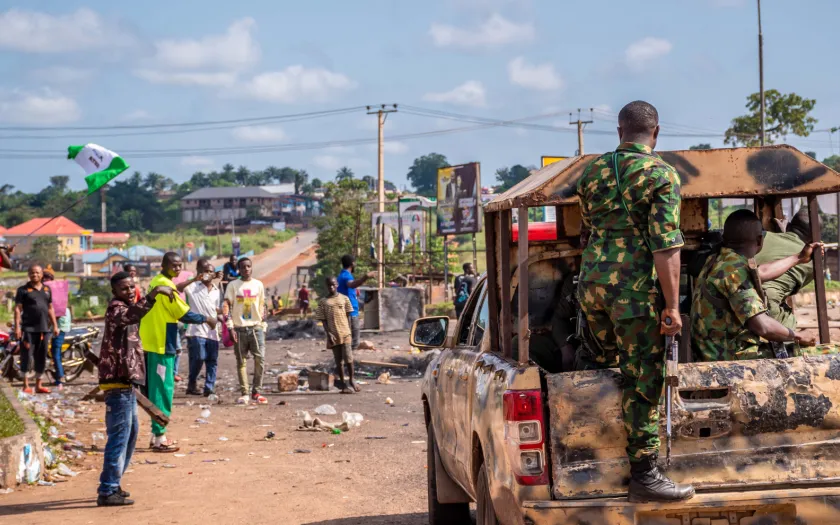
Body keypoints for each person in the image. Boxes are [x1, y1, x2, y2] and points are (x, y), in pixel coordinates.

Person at [575, 101, 693, 502]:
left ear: (620, 130)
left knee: (607, 363)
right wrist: (673, 307)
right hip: (632, 291)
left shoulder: (592, 171)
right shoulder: (662, 174)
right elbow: (666, 246)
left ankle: (591, 451)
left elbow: (589, 227)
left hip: (592, 285)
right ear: (655, 131)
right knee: (644, 377)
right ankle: (644, 474)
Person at [691, 210, 819, 361]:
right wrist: (798, 336)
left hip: (711, 348)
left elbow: (760, 272)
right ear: (760, 240)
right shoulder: (735, 271)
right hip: (729, 357)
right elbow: (763, 326)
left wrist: (798, 258)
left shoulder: (718, 259)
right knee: (827, 352)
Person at [97, 272, 174, 507]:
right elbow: (133, 314)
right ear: (115, 292)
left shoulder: (127, 307)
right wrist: (154, 294)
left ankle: (114, 483)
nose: (129, 291)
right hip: (118, 382)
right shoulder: (117, 309)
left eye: (132, 287)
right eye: (124, 289)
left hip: (127, 383)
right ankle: (108, 489)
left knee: (130, 436)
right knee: (119, 438)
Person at [139, 252, 215, 452]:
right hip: (162, 343)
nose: (178, 269)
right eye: (174, 265)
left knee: (156, 389)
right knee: (163, 390)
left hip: (153, 341)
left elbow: (177, 292)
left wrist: (192, 280)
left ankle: (156, 434)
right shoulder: (165, 286)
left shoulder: (158, 281)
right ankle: (160, 437)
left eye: (180, 265)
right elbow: (184, 313)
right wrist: (207, 319)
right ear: (164, 265)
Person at [753, 208, 819, 330]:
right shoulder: (811, 260)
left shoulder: (763, 237)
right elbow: (790, 288)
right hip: (767, 311)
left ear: (789, 225)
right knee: (790, 321)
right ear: (813, 239)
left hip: (740, 300)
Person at [224, 258, 268, 405]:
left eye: (249, 266)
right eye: (243, 267)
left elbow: (262, 304)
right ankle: (245, 393)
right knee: (241, 362)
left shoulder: (258, 285)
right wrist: (230, 326)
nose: (246, 269)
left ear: (252, 267)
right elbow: (227, 306)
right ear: (239, 270)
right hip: (239, 329)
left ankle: (256, 391)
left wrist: (263, 323)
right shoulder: (233, 285)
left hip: (256, 328)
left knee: (260, 359)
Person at [14, 264, 59, 394]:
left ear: (42, 274)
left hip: (44, 329)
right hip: (28, 329)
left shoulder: (47, 289)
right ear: (29, 274)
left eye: (37, 273)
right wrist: (17, 327)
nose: (35, 275)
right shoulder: (23, 290)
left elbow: (50, 308)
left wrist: (55, 325)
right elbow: (18, 309)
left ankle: (39, 385)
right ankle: (26, 385)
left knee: (42, 357)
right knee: (26, 356)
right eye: (32, 273)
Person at [183, 259, 222, 397]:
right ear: (200, 273)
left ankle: (209, 387)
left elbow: (215, 309)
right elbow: (178, 288)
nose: (209, 274)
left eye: (211, 272)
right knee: (199, 357)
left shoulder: (217, 291)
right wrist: (195, 278)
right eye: (206, 271)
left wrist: (223, 315)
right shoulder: (193, 287)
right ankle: (192, 382)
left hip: (212, 331)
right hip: (196, 329)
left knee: (212, 360)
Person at [314, 277, 357, 393]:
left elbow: (348, 315)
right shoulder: (323, 302)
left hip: (345, 333)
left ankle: (352, 380)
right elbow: (323, 320)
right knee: (339, 361)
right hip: (333, 335)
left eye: (333, 285)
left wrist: (349, 331)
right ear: (326, 286)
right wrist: (328, 334)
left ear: (337, 284)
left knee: (349, 358)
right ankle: (343, 384)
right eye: (329, 285)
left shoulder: (344, 299)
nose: (331, 287)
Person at [337, 255, 375, 351]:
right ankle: (351, 361)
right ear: (352, 264)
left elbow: (350, 286)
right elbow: (352, 284)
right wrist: (366, 277)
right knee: (353, 340)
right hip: (350, 311)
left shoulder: (341, 275)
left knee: (348, 338)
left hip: (346, 309)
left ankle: (347, 358)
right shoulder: (346, 275)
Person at [42, 270, 68, 390]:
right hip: (53, 324)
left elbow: (54, 312)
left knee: (55, 352)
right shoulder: (49, 291)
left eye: (44, 280)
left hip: (60, 324)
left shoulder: (53, 290)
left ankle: (60, 378)